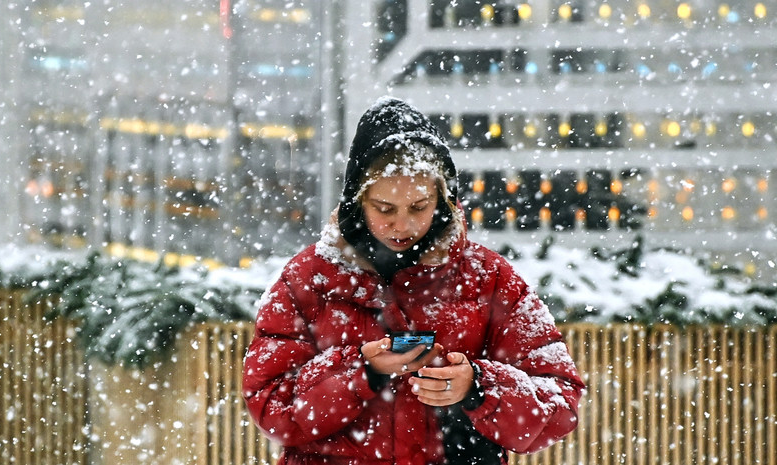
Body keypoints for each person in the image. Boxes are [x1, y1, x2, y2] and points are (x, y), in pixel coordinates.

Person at [243, 97, 585, 465]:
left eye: (419, 207)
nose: (402, 225)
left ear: (443, 199)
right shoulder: (307, 279)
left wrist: (478, 387)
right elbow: (271, 406)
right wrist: (361, 371)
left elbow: (560, 403)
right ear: (357, 201)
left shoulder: (491, 279)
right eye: (384, 209)